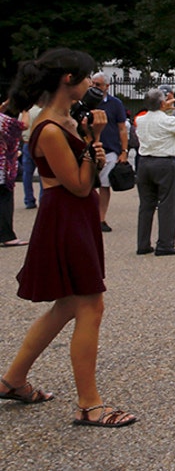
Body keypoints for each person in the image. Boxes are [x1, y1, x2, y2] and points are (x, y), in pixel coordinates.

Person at [1, 48, 137, 427]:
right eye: (86, 77)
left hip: (70, 214)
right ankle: (89, 404)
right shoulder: (49, 127)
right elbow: (78, 185)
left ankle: (13, 380)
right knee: (90, 305)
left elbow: (83, 179)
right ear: (67, 80)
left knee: (66, 306)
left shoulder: (61, 120)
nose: (91, 83)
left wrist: (88, 140)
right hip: (66, 214)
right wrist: (93, 137)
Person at [132, 88, 175, 256]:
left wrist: (162, 106)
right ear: (162, 103)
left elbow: (154, 114)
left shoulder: (141, 120)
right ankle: (165, 244)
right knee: (167, 204)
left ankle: (143, 243)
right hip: (163, 161)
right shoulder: (167, 120)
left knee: (146, 205)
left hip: (144, 162)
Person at [90, 73, 127, 233]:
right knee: (87, 183)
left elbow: (122, 128)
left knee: (105, 184)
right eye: (93, 84)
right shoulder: (86, 101)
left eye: (98, 85)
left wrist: (124, 151)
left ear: (106, 86)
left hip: (110, 148)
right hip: (89, 146)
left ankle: (101, 218)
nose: (94, 87)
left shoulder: (115, 104)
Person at [0, 105, 27, 247]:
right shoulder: (3, 120)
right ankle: (6, 235)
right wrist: (25, 111)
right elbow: (23, 126)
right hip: (2, 168)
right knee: (5, 201)